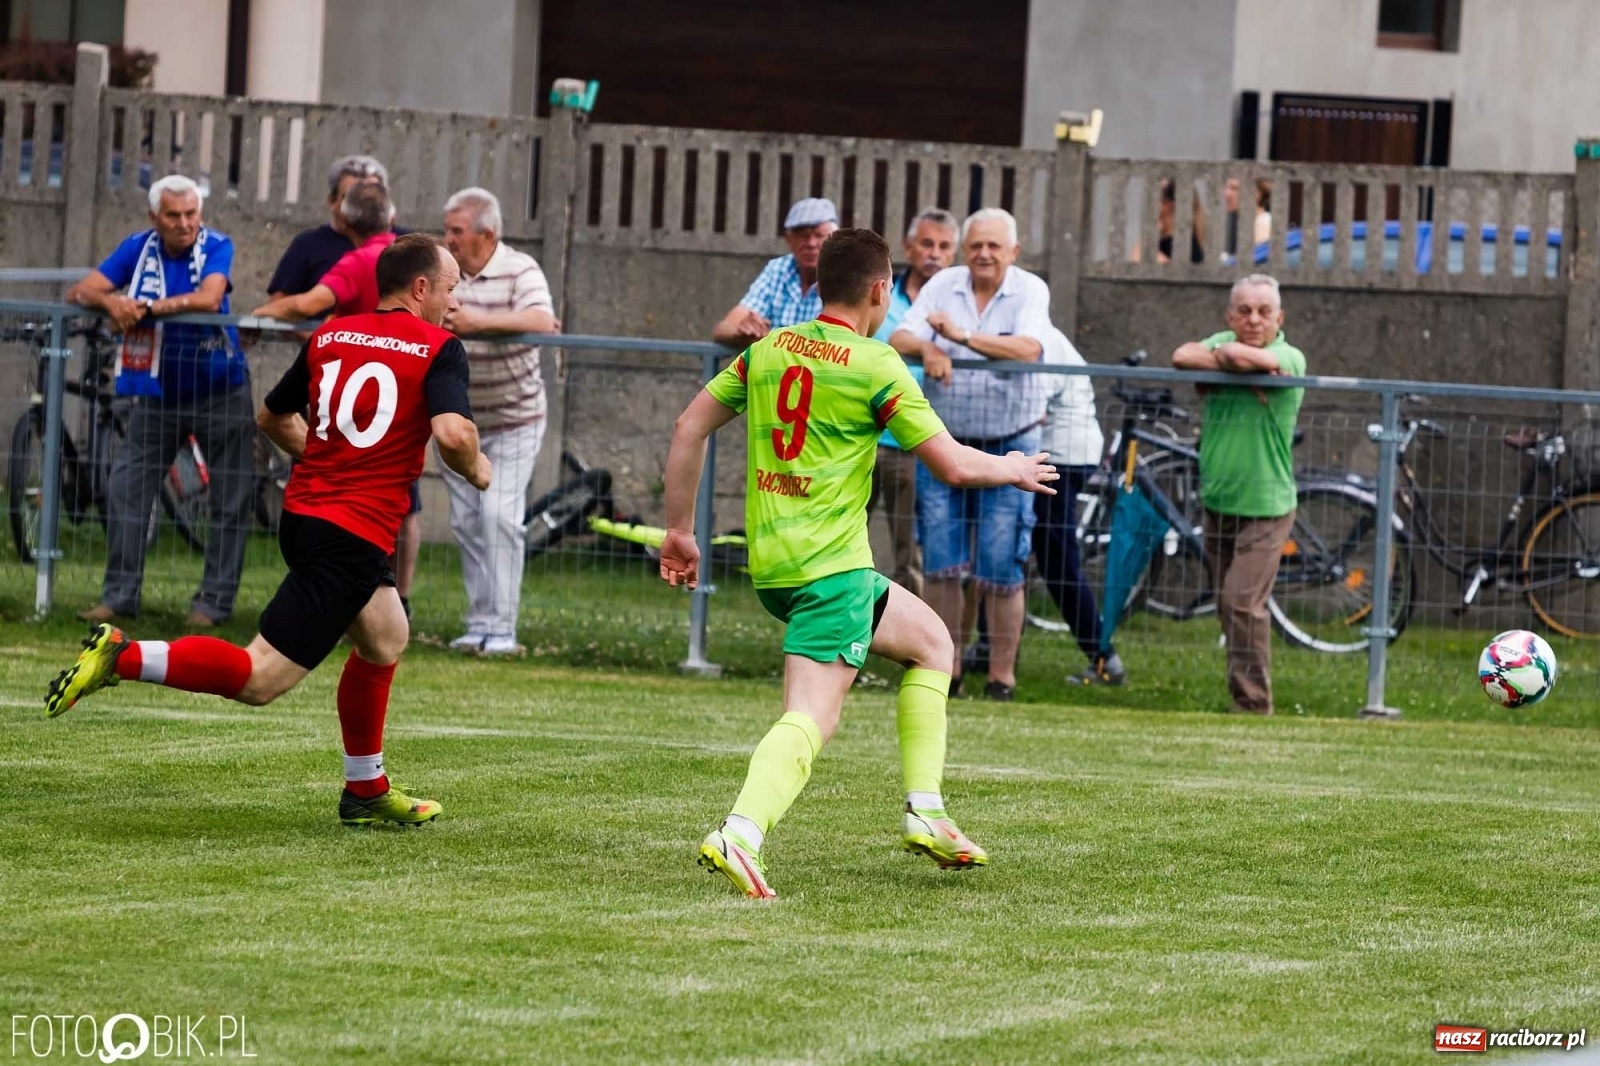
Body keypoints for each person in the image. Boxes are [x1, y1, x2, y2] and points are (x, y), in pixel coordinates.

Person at [661, 227, 1058, 899]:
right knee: (814, 716)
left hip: (779, 567)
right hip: (831, 570)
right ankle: (740, 833)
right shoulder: (875, 364)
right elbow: (955, 465)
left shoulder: (770, 350)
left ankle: (926, 812)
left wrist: (678, 530)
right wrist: (1014, 466)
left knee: (934, 643)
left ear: (816, 286)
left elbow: (687, 428)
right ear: (881, 291)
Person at [45, 235, 494, 827]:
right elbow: (455, 436)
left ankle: (366, 787)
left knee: (385, 635)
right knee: (259, 678)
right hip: (350, 533)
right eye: (450, 289)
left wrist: (329, 458)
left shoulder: (330, 335)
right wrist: (483, 474)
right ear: (420, 289)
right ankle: (122, 657)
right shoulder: (439, 347)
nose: (453, 303)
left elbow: (271, 417)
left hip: (308, 515)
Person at [65, 174, 255, 629]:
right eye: (173, 215)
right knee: (126, 488)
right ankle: (119, 596)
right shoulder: (137, 246)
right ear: (154, 218)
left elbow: (211, 298)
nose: (185, 223)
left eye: (192, 213)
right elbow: (82, 291)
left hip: (221, 389)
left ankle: (213, 603)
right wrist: (114, 305)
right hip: (156, 394)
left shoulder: (217, 245)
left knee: (230, 499)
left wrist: (145, 308)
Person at [888, 207, 1053, 701]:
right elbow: (898, 335)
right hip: (948, 442)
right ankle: (947, 671)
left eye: (994, 247)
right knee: (940, 560)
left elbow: (1028, 349)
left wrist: (957, 338)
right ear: (965, 249)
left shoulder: (1030, 289)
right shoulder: (944, 286)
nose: (983, 254)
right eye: (976, 245)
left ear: (1014, 252)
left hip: (1012, 444)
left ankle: (1001, 677)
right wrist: (929, 350)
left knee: (1001, 563)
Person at [1171, 273, 1304, 715]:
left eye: (1264, 312)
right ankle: (1242, 694)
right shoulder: (1226, 342)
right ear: (1230, 315)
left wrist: (1228, 357)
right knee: (1228, 606)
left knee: (1242, 602)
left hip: (1267, 504)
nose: (1253, 320)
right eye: (1244, 311)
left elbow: (1225, 354)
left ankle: (1254, 703)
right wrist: (1236, 361)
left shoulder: (1291, 356)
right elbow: (1182, 355)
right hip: (1219, 499)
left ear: (1279, 317)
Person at [438, 187, 561, 656]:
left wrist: (475, 323)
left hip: (516, 419)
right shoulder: (443, 271)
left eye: (456, 230)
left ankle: (504, 630)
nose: (447, 238)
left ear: (487, 234)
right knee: (467, 520)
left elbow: (540, 317)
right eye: (446, 229)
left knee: (499, 517)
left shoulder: (520, 267)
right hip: (458, 420)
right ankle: (479, 623)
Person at [867, 207, 957, 597]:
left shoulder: (957, 304)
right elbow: (886, 343)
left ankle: (912, 644)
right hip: (866, 436)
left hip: (914, 443)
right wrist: (926, 347)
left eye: (943, 246)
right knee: (843, 539)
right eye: (926, 243)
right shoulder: (881, 293)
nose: (934, 253)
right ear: (908, 246)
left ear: (953, 253)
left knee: (911, 552)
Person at [252, 182, 397, 320]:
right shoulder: (413, 254)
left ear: (345, 222)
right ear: (392, 218)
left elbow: (304, 306)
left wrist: (262, 312)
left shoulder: (358, 262)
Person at [710, 197, 838, 347]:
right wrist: (744, 330)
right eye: (802, 236)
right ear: (789, 240)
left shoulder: (844, 275)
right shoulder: (779, 269)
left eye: (819, 235)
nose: (810, 243)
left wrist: (770, 339)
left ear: (834, 239)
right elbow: (723, 329)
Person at [264, 155, 393, 299]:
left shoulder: (405, 244)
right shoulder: (308, 244)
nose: (361, 207)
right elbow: (278, 305)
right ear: (332, 201)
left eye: (371, 199)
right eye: (350, 198)